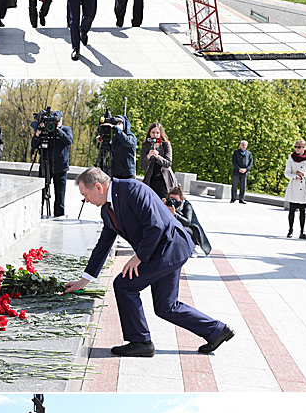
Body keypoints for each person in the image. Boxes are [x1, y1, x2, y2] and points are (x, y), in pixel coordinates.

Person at [65, 167, 234, 359]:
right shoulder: (107, 209)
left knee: (124, 285)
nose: (86, 200)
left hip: (170, 247)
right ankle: (217, 331)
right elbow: (103, 244)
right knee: (166, 306)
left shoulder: (131, 189)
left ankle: (140, 342)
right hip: (162, 249)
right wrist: (84, 280)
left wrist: (138, 257)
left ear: (98, 187)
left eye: (86, 195)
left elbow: (155, 225)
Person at [31, 112, 73, 217]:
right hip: (46, 166)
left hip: (61, 167)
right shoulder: (46, 129)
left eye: (59, 120)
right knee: (42, 193)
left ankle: (59, 218)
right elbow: (34, 145)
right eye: (55, 121)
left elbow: (69, 141)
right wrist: (38, 133)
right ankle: (38, 213)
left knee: (60, 197)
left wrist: (58, 130)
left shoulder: (66, 129)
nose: (57, 123)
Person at [284, 138, 306, 240]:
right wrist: (294, 176)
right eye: (295, 147)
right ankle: (290, 230)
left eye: (299, 147)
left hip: (304, 188)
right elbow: (287, 173)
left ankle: (302, 231)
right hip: (294, 187)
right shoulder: (291, 158)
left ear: (304, 148)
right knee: (292, 210)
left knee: (303, 211)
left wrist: (304, 175)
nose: (296, 149)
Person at [167, 186, 212, 256]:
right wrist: (162, 206)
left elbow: (188, 222)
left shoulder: (187, 205)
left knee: (180, 228)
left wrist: (175, 214)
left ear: (181, 200)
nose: (173, 202)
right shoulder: (168, 206)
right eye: (171, 199)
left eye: (175, 199)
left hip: (192, 231)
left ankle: (190, 247)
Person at [141, 122, 177, 199]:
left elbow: (168, 163)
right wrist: (148, 156)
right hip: (151, 180)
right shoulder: (146, 145)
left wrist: (158, 157)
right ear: (149, 133)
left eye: (157, 133)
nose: (155, 135)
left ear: (161, 134)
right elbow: (143, 166)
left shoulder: (166, 145)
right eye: (153, 132)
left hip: (164, 180)